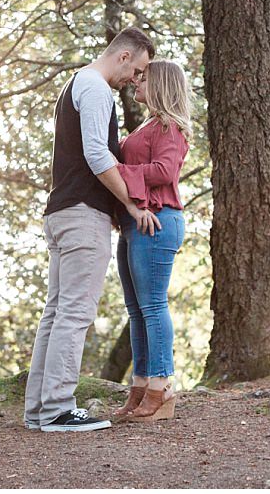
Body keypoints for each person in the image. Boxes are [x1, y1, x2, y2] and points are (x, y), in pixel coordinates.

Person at [24, 27, 160, 432]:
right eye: (136, 70)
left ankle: (39, 410)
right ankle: (58, 409)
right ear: (123, 56)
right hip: (82, 215)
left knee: (56, 312)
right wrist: (131, 204)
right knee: (75, 313)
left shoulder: (75, 84)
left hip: (62, 212)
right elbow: (98, 154)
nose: (135, 79)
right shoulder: (97, 88)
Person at [111, 60, 191, 423]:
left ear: (161, 84)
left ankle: (161, 387)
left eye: (143, 78)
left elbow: (164, 171)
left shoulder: (168, 127)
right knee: (136, 309)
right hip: (135, 222)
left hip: (158, 221)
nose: (136, 81)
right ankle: (140, 385)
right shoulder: (147, 125)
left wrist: (118, 171)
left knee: (153, 306)